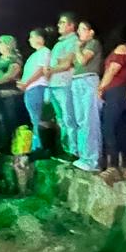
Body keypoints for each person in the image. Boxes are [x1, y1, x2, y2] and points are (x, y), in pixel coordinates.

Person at [98, 35, 126, 178]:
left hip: (116, 92)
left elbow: (113, 69)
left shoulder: (122, 48)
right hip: (124, 92)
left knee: (110, 127)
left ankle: (113, 165)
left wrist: (101, 87)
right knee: (123, 128)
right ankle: (125, 164)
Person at [70, 20, 104, 171]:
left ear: (91, 32)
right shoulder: (83, 46)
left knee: (90, 120)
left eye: (82, 29)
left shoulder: (93, 43)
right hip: (77, 81)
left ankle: (93, 160)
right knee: (81, 120)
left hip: (88, 80)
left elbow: (83, 61)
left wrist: (77, 48)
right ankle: (84, 156)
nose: (79, 32)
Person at [47, 13, 80, 157]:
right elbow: (58, 63)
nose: (59, 25)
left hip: (64, 84)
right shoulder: (58, 44)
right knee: (60, 119)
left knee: (69, 117)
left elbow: (66, 64)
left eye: (62, 22)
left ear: (71, 26)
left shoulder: (74, 41)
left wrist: (51, 69)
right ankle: (65, 147)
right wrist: (55, 67)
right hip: (54, 84)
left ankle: (74, 150)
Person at [0, 34, 26, 153]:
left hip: (10, 95)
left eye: (1, 43)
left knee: (12, 121)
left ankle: (15, 147)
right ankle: (4, 144)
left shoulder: (14, 59)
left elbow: (11, 74)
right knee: (3, 120)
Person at [19, 28, 52, 154]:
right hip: (30, 89)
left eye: (32, 37)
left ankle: (41, 147)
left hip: (38, 87)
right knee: (34, 119)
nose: (29, 40)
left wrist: (26, 83)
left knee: (39, 119)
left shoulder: (44, 51)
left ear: (40, 38)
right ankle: (36, 146)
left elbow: (40, 71)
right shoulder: (34, 55)